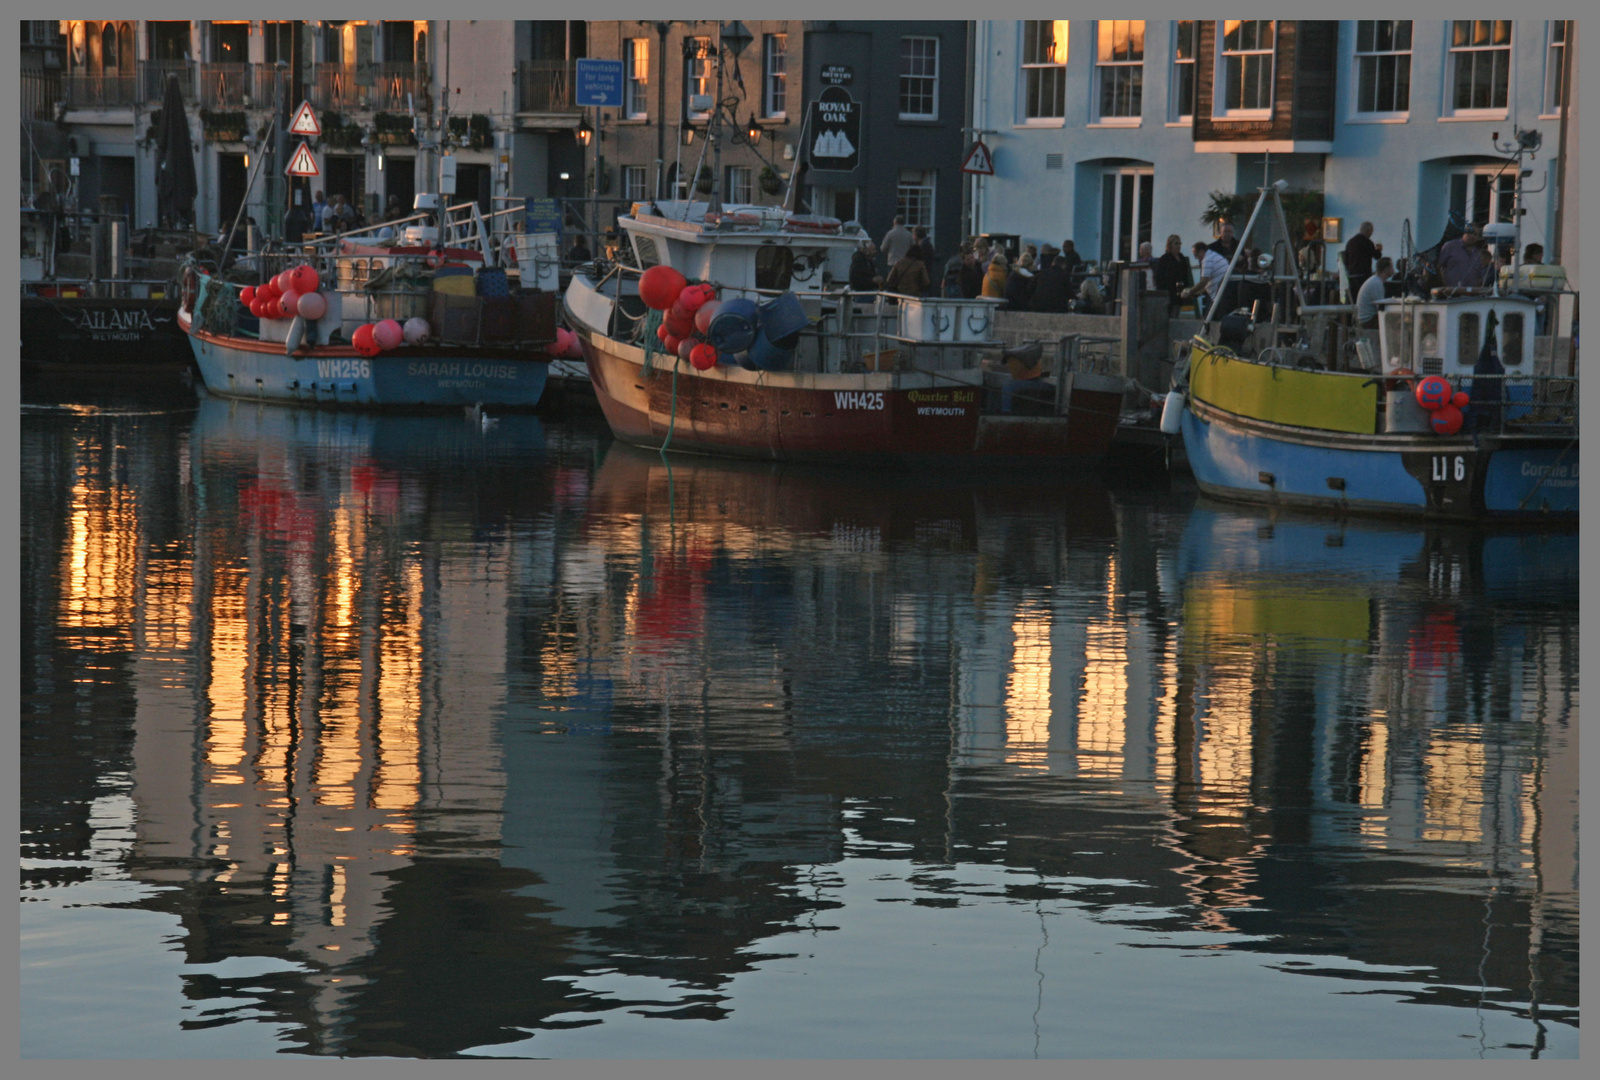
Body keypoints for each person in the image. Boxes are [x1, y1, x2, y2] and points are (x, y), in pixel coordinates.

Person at [1182, 240, 1230, 316]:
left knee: (1209, 320)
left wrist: (1189, 292)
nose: (1196, 258)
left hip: (1218, 295)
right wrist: (1199, 292)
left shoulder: (1207, 259)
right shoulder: (1214, 255)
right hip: (1223, 292)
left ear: (1201, 251)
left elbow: (1204, 281)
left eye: (1196, 255)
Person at [1438, 223, 1489, 288]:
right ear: (1464, 232)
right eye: (1470, 233)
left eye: (1475, 234)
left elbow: (1479, 276)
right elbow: (1439, 266)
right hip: (1450, 292)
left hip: (1470, 295)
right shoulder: (1450, 246)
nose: (1472, 236)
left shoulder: (1477, 253)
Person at [1153, 234, 1193, 315]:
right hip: (1168, 290)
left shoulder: (1181, 258)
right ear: (1170, 245)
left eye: (1179, 244)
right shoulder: (1165, 258)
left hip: (1179, 289)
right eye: (1176, 244)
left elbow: (1185, 273)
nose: (1178, 246)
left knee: (1177, 311)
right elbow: (1159, 276)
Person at [1029, 245, 1072, 313]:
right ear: (1063, 265)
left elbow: (1031, 288)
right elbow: (1069, 292)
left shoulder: (1041, 273)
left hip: (1038, 306)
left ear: (1053, 263)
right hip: (1058, 307)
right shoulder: (1064, 275)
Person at [1356, 257, 1394, 329]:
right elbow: (1381, 308)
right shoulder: (1377, 283)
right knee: (1396, 321)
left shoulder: (1375, 280)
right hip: (1368, 321)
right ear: (1386, 269)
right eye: (1391, 266)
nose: (1393, 269)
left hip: (1365, 318)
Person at [1342, 221, 1377, 296]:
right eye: (1371, 231)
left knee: (1354, 296)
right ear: (1369, 231)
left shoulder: (1350, 242)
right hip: (1364, 275)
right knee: (1363, 295)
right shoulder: (1368, 242)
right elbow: (1376, 256)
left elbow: (1345, 259)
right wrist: (1379, 250)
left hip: (1352, 275)